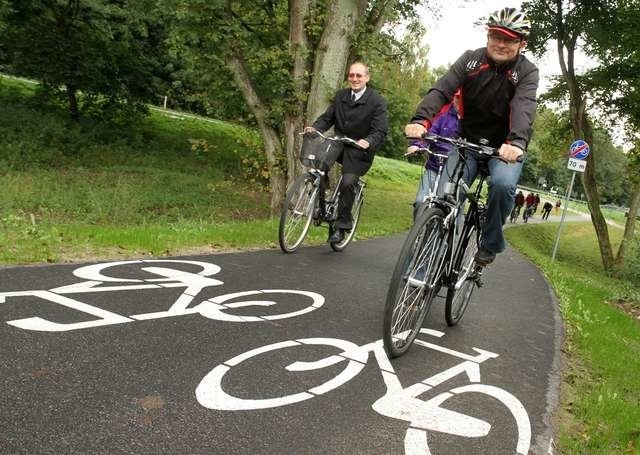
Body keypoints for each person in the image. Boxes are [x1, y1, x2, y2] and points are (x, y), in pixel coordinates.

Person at [405, 7, 538, 265]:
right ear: (488, 36)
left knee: (502, 185)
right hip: (466, 143)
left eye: (509, 39)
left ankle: (490, 243)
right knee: (444, 200)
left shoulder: (527, 72)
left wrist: (517, 142)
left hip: (505, 148)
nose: (500, 44)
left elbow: (523, 106)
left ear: (522, 43)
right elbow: (442, 90)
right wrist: (421, 119)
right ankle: (425, 268)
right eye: (495, 36)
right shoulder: (470, 60)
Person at [306, 61, 389, 244]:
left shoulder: (377, 101)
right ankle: (321, 203)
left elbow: (380, 131)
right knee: (319, 163)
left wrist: (368, 141)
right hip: (339, 143)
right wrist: (314, 128)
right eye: (351, 75)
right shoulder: (341, 96)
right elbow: (328, 118)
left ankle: (342, 226)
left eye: (359, 75)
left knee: (347, 182)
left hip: (359, 150)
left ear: (367, 78)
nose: (355, 79)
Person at [408, 90, 462, 219]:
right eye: (457, 98)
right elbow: (429, 132)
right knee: (421, 202)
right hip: (434, 165)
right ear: (453, 97)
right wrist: (417, 145)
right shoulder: (443, 114)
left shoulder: (471, 120)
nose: (459, 102)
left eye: (462, 99)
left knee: (449, 209)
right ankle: (418, 234)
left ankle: (446, 237)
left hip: (453, 172)